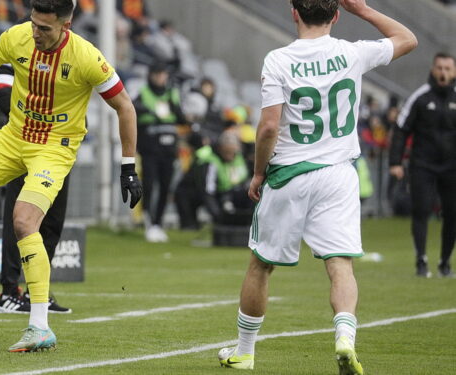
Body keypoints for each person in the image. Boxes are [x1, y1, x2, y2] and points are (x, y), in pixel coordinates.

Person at [0, 0, 142, 352]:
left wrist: (127, 166)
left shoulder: (87, 57)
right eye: (34, 23)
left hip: (54, 148)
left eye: (44, 28)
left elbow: (124, 105)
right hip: (13, 137)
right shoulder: (18, 37)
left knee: (23, 220)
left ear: (67, 23)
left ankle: (39, 326)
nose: (36, 32)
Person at [217, 0, 416, 373]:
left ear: (294, 13)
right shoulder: (352, 53)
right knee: (340, 265)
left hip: (289, 174)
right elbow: (407, 39)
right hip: (339, 175)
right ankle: (344, 337)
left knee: (260, 265)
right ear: (337, 14)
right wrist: (364, 10)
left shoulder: (279, 59)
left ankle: (244, 352)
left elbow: (269, 128)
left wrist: (258, 173)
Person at [0, 64, 72, 315]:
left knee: (52, 223)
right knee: (19, 219)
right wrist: (38, 123)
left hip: (60, 149)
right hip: (26, 144)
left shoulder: (71, 51)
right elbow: (2, 92)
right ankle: (9, 291)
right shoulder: (18, 43)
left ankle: (37, 292)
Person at [389, 52, 456, 278]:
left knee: (452, 214)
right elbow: (400, 128)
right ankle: (421, 260)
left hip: (451, 166)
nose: (443, 73)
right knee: (421, 210)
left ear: (454, 72)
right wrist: (395, 162)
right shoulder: (420, 96)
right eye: (439, 68)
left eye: (447, 69)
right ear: (432, 69)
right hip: (422, 164)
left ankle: (445, 262)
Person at [133, 63, 186, 242]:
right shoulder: (144, 93)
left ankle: (158, 223)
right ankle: (149, 221)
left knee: (165, 186)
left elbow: (181, 116)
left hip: (169, 149)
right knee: (149, 184)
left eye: (163, 74)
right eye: (157, 74)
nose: (160, 78)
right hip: (150, 148)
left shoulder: (172, 94)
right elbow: (134, 108)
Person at [175, 132, 249, 230]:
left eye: (233, 152)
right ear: (220, 149)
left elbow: (242, 180)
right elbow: (207, 192)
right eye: (227, 152)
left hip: (222, 190)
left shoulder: (238, 158)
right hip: (192, 190)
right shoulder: (210, 161)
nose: (230, 156)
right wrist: (220, 218)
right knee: (190, 226)